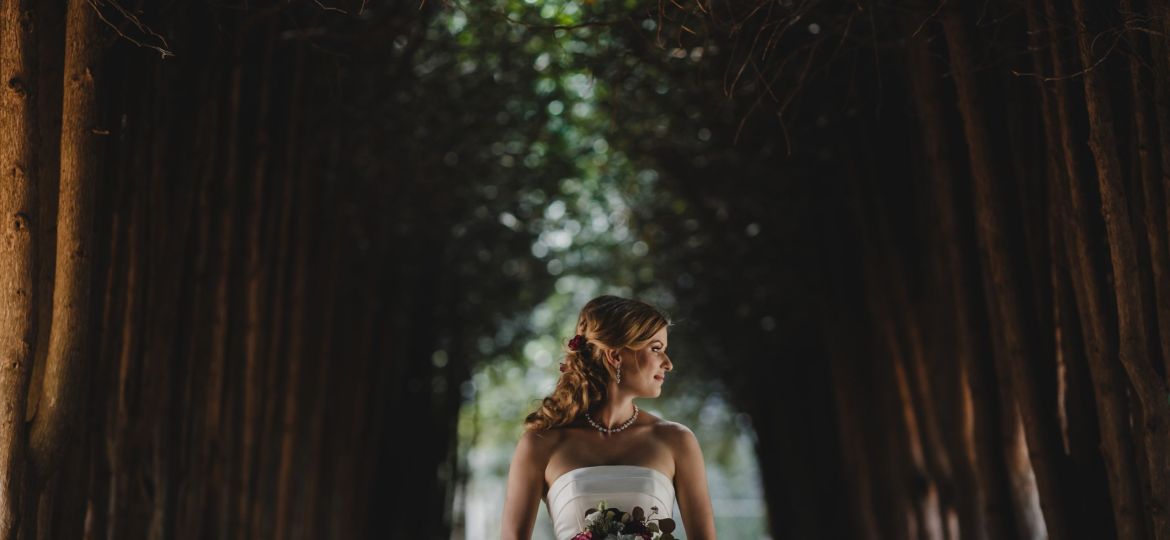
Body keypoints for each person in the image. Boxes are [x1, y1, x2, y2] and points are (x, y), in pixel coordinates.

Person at [500, 295, 717, 540]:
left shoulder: (677, 440)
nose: (668, 364)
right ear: (615, 356)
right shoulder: (540, 442)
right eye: (656, 349)